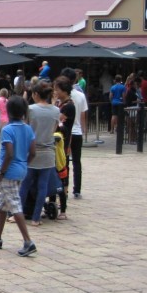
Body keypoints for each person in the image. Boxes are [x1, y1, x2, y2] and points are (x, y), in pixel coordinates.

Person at [0, 95, 37, 257]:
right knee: (2, 204)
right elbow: (33, 152)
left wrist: (2, 172)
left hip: (9, 171)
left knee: (14, 205)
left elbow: (9, 154)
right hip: (22, 170)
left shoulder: (7, 129)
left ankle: (28, 241)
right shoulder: (28, 129)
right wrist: (24, 164)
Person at [21, 80, 61, 226]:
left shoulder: (30, 109)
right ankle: (36, 218)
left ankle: (17, 214)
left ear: (36, 94)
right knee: (42, 186)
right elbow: (54, 129)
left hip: (32, 151)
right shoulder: (55, 110)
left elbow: (25, 128)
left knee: (25, 184)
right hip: (48, 151)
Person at [60, 68, 87, 199]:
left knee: (64, 162)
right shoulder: (81, 95)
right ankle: (77, 189)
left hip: (65, 132)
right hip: (77, 131)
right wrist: (83, 129)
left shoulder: (62, 97)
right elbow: (83, 115)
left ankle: (64, 188)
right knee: (77, 162)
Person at [53, 76, 75, 219]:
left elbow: (56, 120)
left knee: (62, 173)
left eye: (57, 89)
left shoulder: (68, 106)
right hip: (58, 143)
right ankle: (54, 203)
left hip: (61, 143)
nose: (55, 92)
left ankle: (63, 206)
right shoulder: (62, 104)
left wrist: (52, 105)